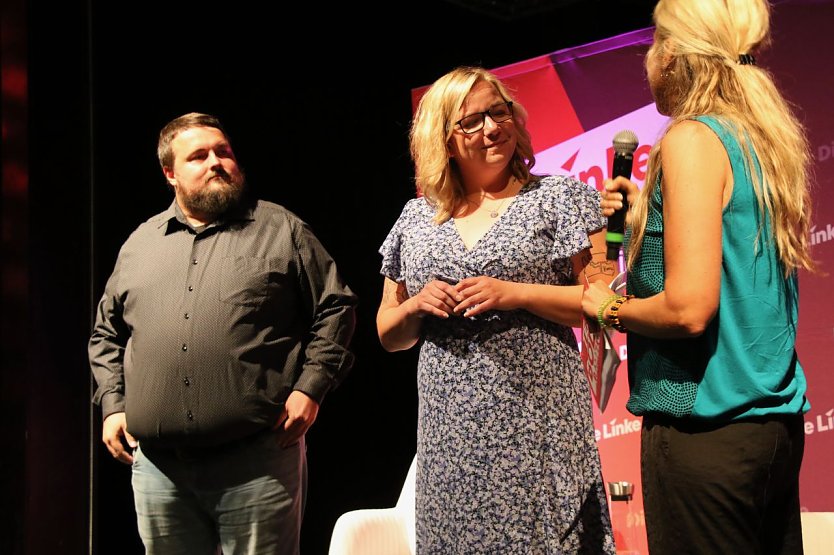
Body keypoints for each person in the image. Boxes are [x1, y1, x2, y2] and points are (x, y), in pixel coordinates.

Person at [581, 1, 815, 553]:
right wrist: (648, 217)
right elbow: (730, 250)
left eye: (656, 40)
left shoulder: (690, 138)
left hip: (705, 431)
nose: (648, 56)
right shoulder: (759, 138)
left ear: (679, 55)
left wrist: (605, 308)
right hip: (770, 431)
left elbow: (688, 308)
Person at [89, 112, 358, 554]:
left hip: (256, 463)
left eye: (224, 152)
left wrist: (311, 388)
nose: (216, 162)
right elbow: (106, 333)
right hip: (159, 470)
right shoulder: (140, 243)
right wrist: (112, 404)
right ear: (170, 174)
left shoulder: (280, 228)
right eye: (199, 156)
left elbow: (336, 306)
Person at [377, 66, 618, 553]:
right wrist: (417, 307)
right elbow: (389, 333)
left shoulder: (559, 197)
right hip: (452, 432)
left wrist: (516, 293)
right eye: (471, 121)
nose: (492, 128)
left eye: (498, 112)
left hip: (539, 418)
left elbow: (602, 305)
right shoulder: (415, 218)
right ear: (443, 140)